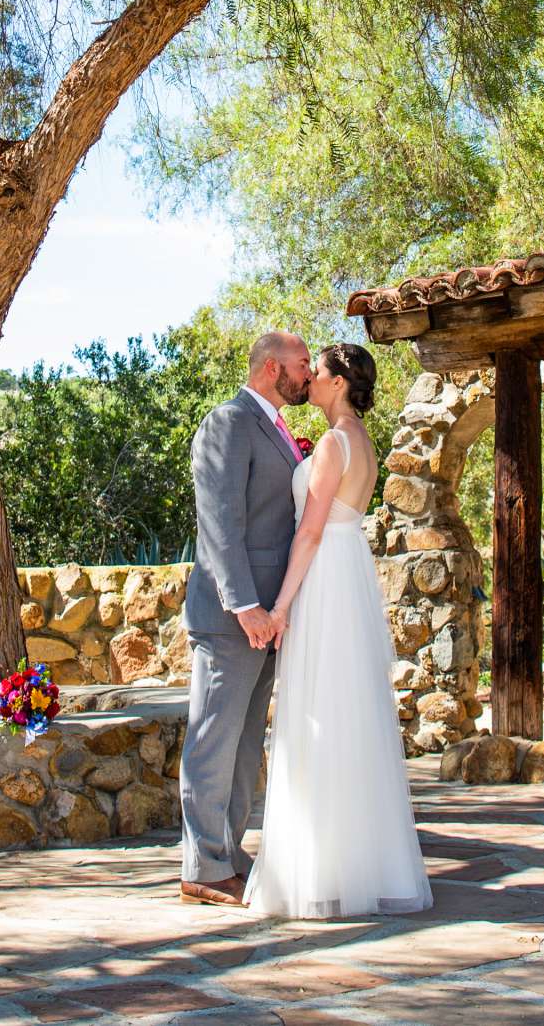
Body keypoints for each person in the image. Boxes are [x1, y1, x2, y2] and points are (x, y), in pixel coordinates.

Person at [245, 342, 432, 919]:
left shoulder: (332, 443)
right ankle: (359, 864)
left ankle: (319, 871)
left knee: (319, 715)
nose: (312, 381)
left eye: (318, 373)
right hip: (351, 576)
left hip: (326, 578)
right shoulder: (364, 443)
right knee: (350, 715)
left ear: (339, 382)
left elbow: (310, 533)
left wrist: (279, 606)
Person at [177, 330, 310, 905]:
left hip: (266, 618)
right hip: (235, 615)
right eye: (302, 364)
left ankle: (227, 851)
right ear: (271, 368)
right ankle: (201, 869)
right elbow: (220, 523)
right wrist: (246, 605)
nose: (309, 373)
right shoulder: (228, 422)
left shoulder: (273, 426)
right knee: (212, 740)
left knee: (244, 743)